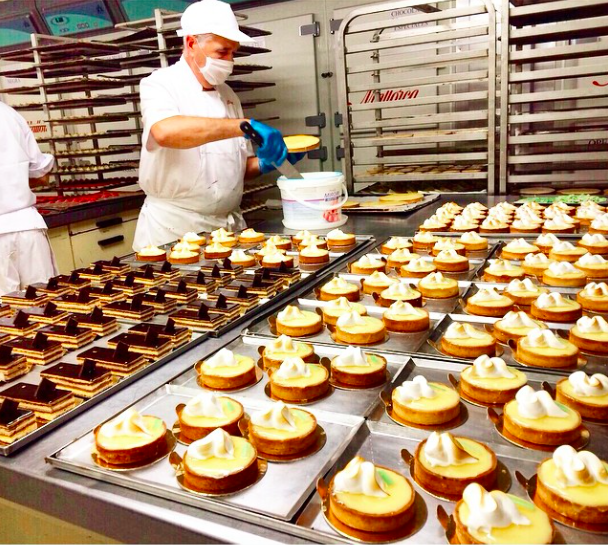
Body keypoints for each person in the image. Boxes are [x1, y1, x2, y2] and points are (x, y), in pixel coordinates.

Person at [133, 0, 303, 250]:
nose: (229, 60)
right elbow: (165, 131)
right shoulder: (160, 84)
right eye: (222, 52)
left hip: (228, 230)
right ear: (192, 44)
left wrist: (267, 163)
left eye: (233, 53)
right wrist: (243, 125)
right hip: (173, 229)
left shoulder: (229, 96)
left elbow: (234, 168)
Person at [0, 101, 57, 295]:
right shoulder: (9, 114)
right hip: (27, 229)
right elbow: (41, 175)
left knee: (5, 316)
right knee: (45, 308)